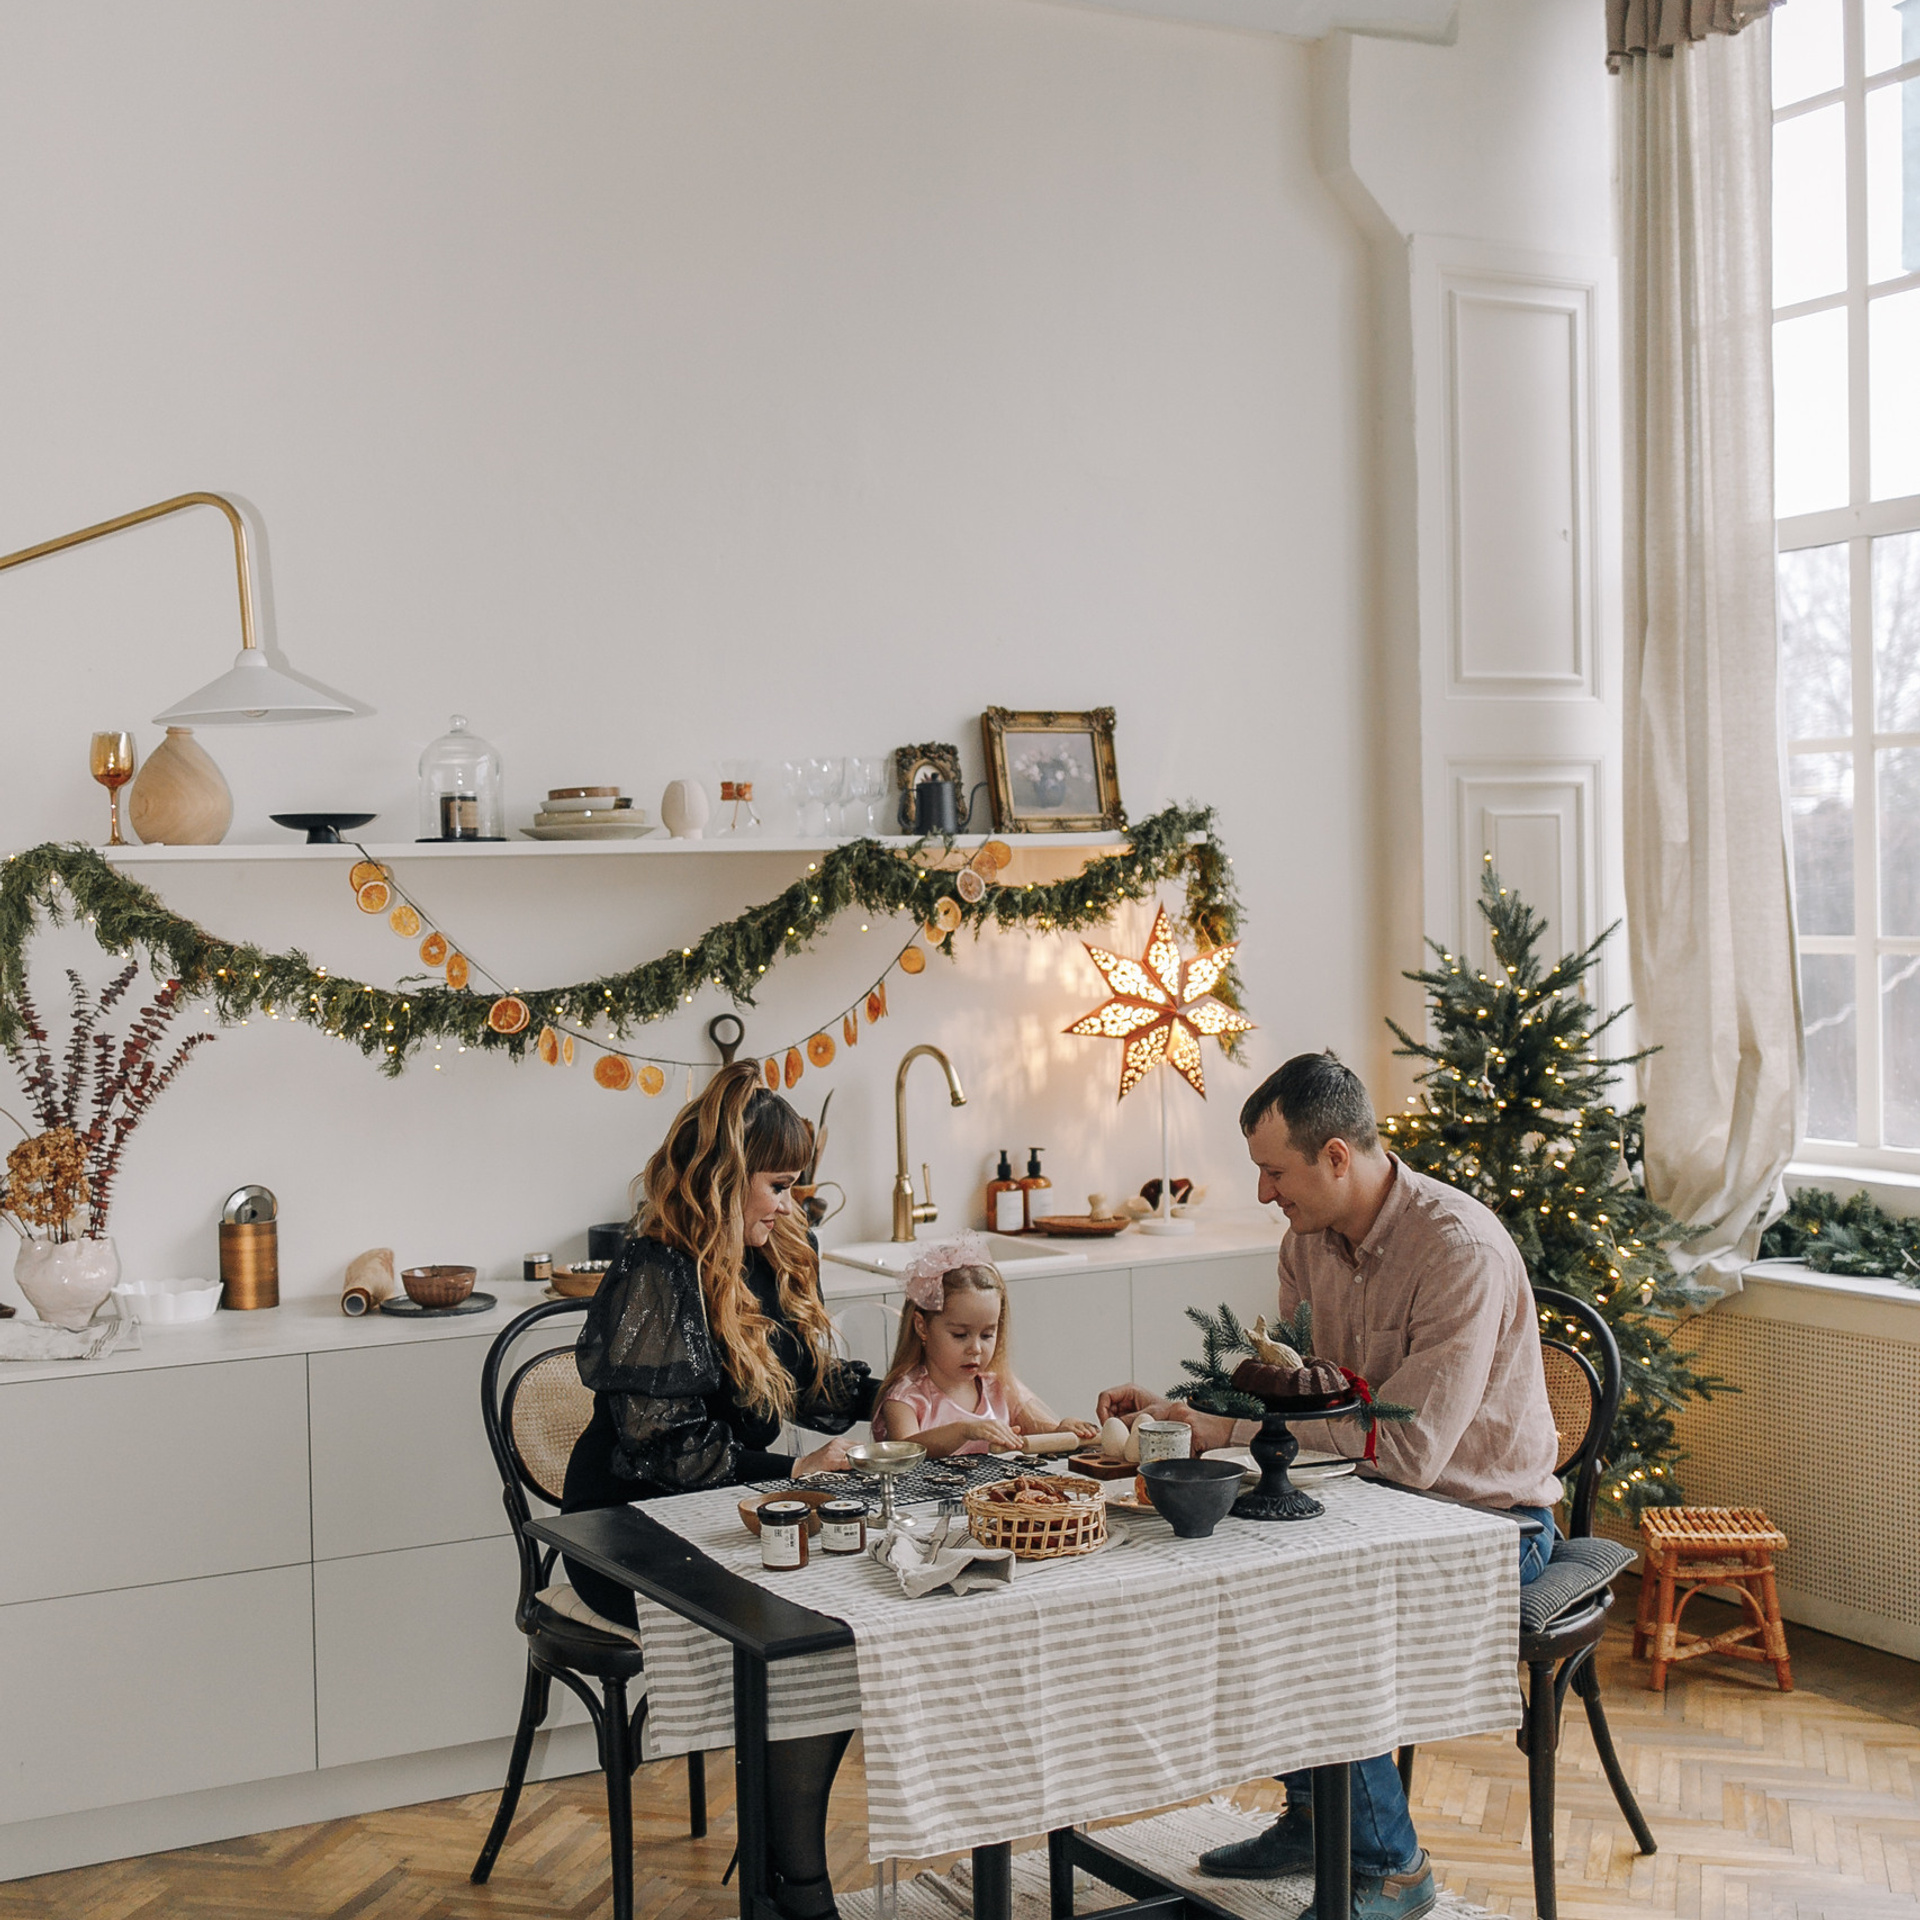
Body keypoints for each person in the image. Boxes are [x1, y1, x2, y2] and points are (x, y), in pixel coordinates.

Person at [1096, 1051, 1564, 1920]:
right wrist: (1191, 1411)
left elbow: (1409, 1449)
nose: (1266, 1193)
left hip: (1489, 1524)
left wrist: (1229, 1429)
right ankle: (1316, 1820)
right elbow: (1291, 1393)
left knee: (1318, 1606)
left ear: (1338, 1157)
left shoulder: (1456, 1249)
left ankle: (1391, 1868)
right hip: (1369, 1502)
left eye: (1275, 1173)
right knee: (1239, 1571)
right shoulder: (1305, 1244)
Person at [562, 1061, 872, 1920]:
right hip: (629, 1535)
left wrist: (917, 1397)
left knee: (841, 1624)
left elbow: (811, 1387)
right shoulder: (658, 1268)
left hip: (721, 1514)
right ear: (725, 1178)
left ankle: (782, 1875)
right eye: (777, 1184)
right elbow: (669, 1450)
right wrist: (792, 1476)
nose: (787, 1204)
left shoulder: (758, 1257)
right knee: (808, 1637)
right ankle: (797, 1891)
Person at [872, 1233, 1098, 1455]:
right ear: (922, 1327)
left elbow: (1041, 1430)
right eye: (960, 1335)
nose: (976, 1349)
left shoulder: (999, 1387)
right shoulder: (905, 1398)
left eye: (987, 1335)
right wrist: (964, 1431)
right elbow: (904, 1451)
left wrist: (1062, 1430)